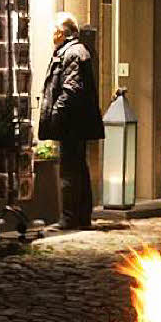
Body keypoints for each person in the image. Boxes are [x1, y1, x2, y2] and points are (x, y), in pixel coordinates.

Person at [38, 12, 105, 229]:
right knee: (77, 168)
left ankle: (70, 218)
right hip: (74, 122)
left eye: (54, 30)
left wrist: (56, 115)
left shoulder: (73, 52)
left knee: (70, 169)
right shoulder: (72, 51)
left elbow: (71, 89)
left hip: (72, 124)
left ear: (61, 32)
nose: (52, 35)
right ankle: (79, 217)